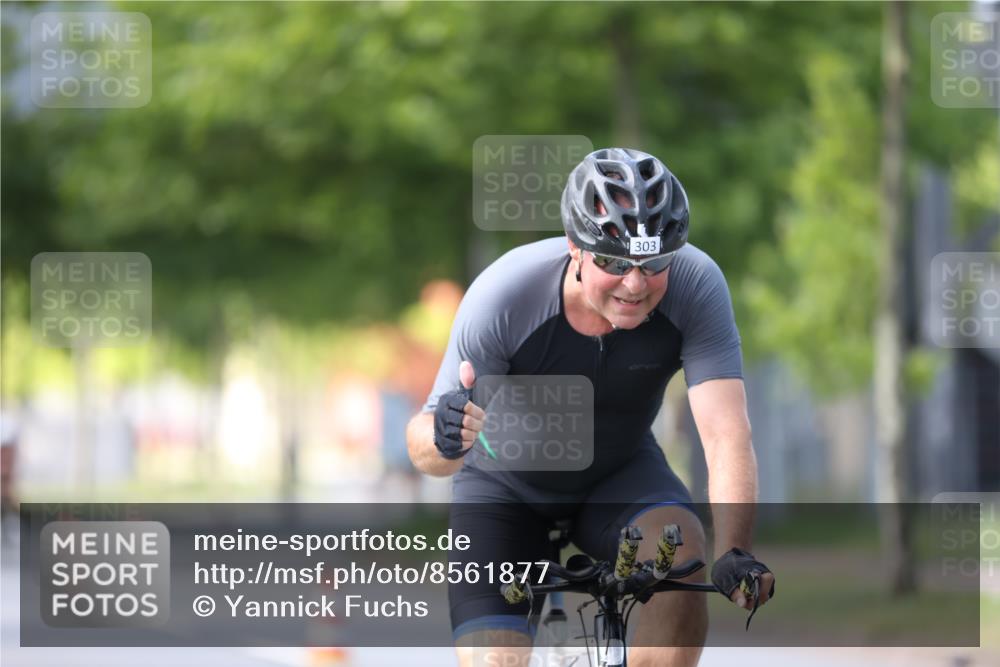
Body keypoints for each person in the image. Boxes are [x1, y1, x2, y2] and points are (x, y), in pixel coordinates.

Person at [406, 147, 774, 667]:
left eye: (655, 263)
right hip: (504, 491)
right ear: (575, 248)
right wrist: (446, 438)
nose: (635, 283)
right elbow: (425, 447)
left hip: (619, 476)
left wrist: (736, 548)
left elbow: (726, 433)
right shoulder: (505, 295)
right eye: (612, 261)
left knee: (683, 557)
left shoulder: (697, 285)